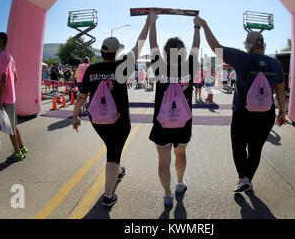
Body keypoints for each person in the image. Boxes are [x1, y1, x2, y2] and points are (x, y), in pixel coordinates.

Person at [196, 17, 286, 193]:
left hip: (242, 113)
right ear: (263, 45)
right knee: (255, 149)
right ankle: (248, 179)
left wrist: (205, 26)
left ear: (249, 45)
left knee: (238, 147)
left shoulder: (242, 58)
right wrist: (282, 111)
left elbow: (215, 46)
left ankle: (243, 178)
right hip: (266, 115)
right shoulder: (276, 65)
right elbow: (280, 92)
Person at [72, 16, 150, 208]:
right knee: (113, 153)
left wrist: (74, 116)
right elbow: (139, 46)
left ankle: (118, 169)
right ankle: (108, 196)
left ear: (103, 51)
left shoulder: (91, 69)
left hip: (97, 120)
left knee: (112, 146)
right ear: (117, 53)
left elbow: (81, 97)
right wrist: (148, 24)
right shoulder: (121, 67)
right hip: (120, 120)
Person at [148, 13, 200, 207]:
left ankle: (167, 194)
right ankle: (179, 183)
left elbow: (152, 43)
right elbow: (197, 47)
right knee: (180, 154)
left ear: (165, 52)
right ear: (184, 52)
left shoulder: (159, 67)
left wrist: (152, 23)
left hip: (161, 122)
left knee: (163, 161)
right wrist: (197, 26)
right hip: (183, 122)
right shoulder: (190, 66)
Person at [0, 32, 28, 162]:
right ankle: (22, 147)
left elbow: (4, 78)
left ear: (1, 41)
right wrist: (11, 90)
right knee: (14, 126)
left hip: (6, 99)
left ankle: (17, 153)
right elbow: (15, 78)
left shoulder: (2, 56)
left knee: (10, 128)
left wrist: (1, 98)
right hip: (11, 97)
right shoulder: (9, 56)